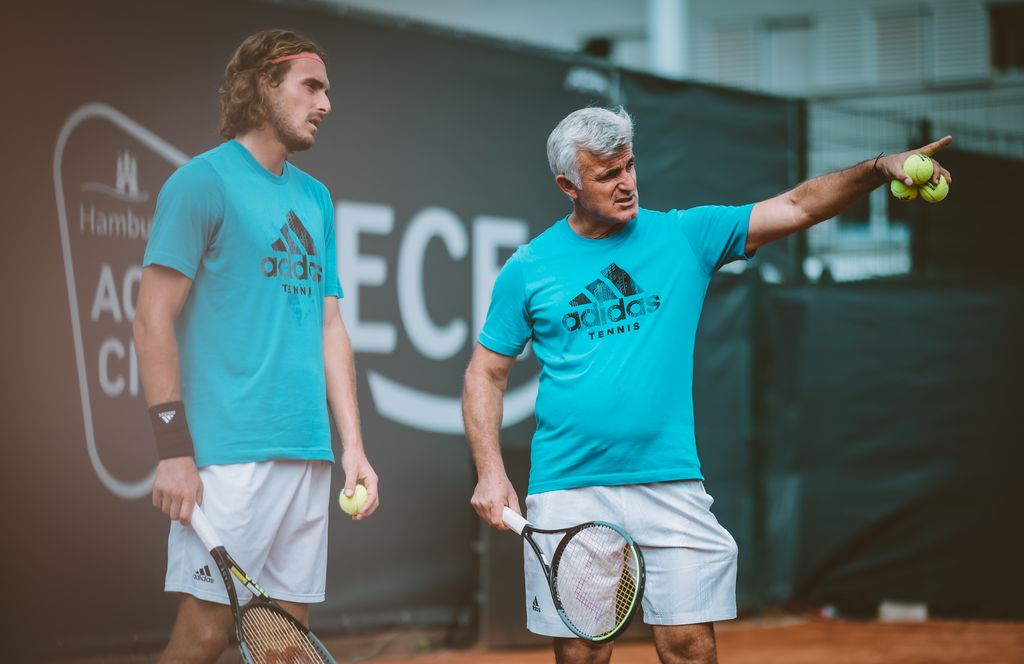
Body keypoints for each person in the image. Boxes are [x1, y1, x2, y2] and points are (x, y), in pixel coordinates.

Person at [462, 106, 952, 664]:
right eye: (606, 175)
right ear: (567, 185)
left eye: (630, 167)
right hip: (570, 485)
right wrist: (491, 470)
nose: (626, 184)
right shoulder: (530, 267)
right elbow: (486, 371)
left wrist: (880, 168)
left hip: (669, 481)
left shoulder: (684, 235)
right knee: (581, 653)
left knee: (691, 648)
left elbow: (795, 206)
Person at [133, 29, 379, 663]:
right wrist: (172, 449)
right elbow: (150, 319)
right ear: (264, 86)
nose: (326, 104)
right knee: (207, 634)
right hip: (226, 460)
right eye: (312, 86)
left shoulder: (316, 198)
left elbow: (330, 327)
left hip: (306, 453)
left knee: (281, 647)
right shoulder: (201, 183)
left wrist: (352, 446)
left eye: (327, 90)